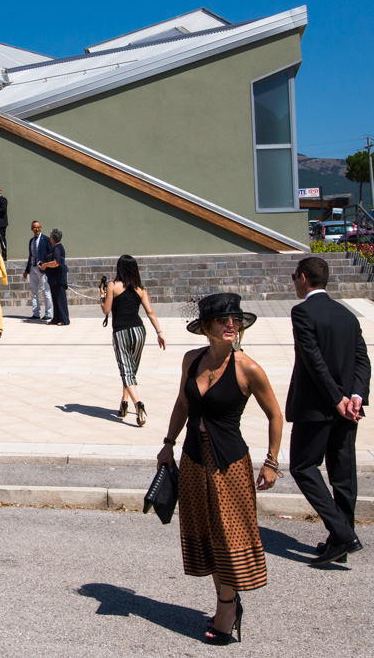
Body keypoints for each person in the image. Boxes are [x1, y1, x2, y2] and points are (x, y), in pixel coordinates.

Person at [156, 293, 283, 645]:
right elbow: (183, 402)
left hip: (231, 467)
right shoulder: (191, 360)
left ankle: (227, 606)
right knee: (208, 536)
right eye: (223, 320)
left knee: (230, 538)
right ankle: (225, 600)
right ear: (207, 327)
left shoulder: (248, 368)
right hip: (193, 461)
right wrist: (168, 444)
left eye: (235, 320)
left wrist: (271, 462)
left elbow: (276, 415)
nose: (231, 325)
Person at [286, 256, 372, 566]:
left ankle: (343, 534)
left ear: (305, 279)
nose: (294, 282)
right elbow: (362, 360)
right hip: (349, 408)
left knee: (303, 467)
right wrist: (356, 396)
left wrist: (337, 398)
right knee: (342, 472)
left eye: (295, 277)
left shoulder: (302, 312)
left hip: (318, 407)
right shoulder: (347, 315)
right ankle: (341, 537)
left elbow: (313, 361)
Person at [100, 255, 165, 426]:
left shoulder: (112, 286)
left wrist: (102, 296)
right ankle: (124, 402)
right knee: (131, 368)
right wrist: (159, 332)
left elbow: (106, 310)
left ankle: (138, 405)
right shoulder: (141, 289)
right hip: (139, 331)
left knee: (126, 368)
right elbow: (150, 312)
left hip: (121, 331)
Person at [24, 221, 53, 322]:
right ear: (32, 229)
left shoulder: (46, 239)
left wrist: (46, 264)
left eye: (39, 228)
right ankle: (36, 313)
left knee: (45, 291)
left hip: (42, 269)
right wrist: (27, 270)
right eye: (35, 228)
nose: (37, 230)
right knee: (33, 291)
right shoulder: (31, 241)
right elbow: (30, 256)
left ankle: (48, 313)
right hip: (33, 268)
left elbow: (51, 253)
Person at [40, 229, 69, 325]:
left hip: (58, 277)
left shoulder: (57, 248)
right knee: (55, 298)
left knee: (60, 299)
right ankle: (56, 318)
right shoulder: (55, 248)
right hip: (53, 278)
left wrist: (46, 265)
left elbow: (56, 263)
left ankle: (65, 319)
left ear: (52, 238)